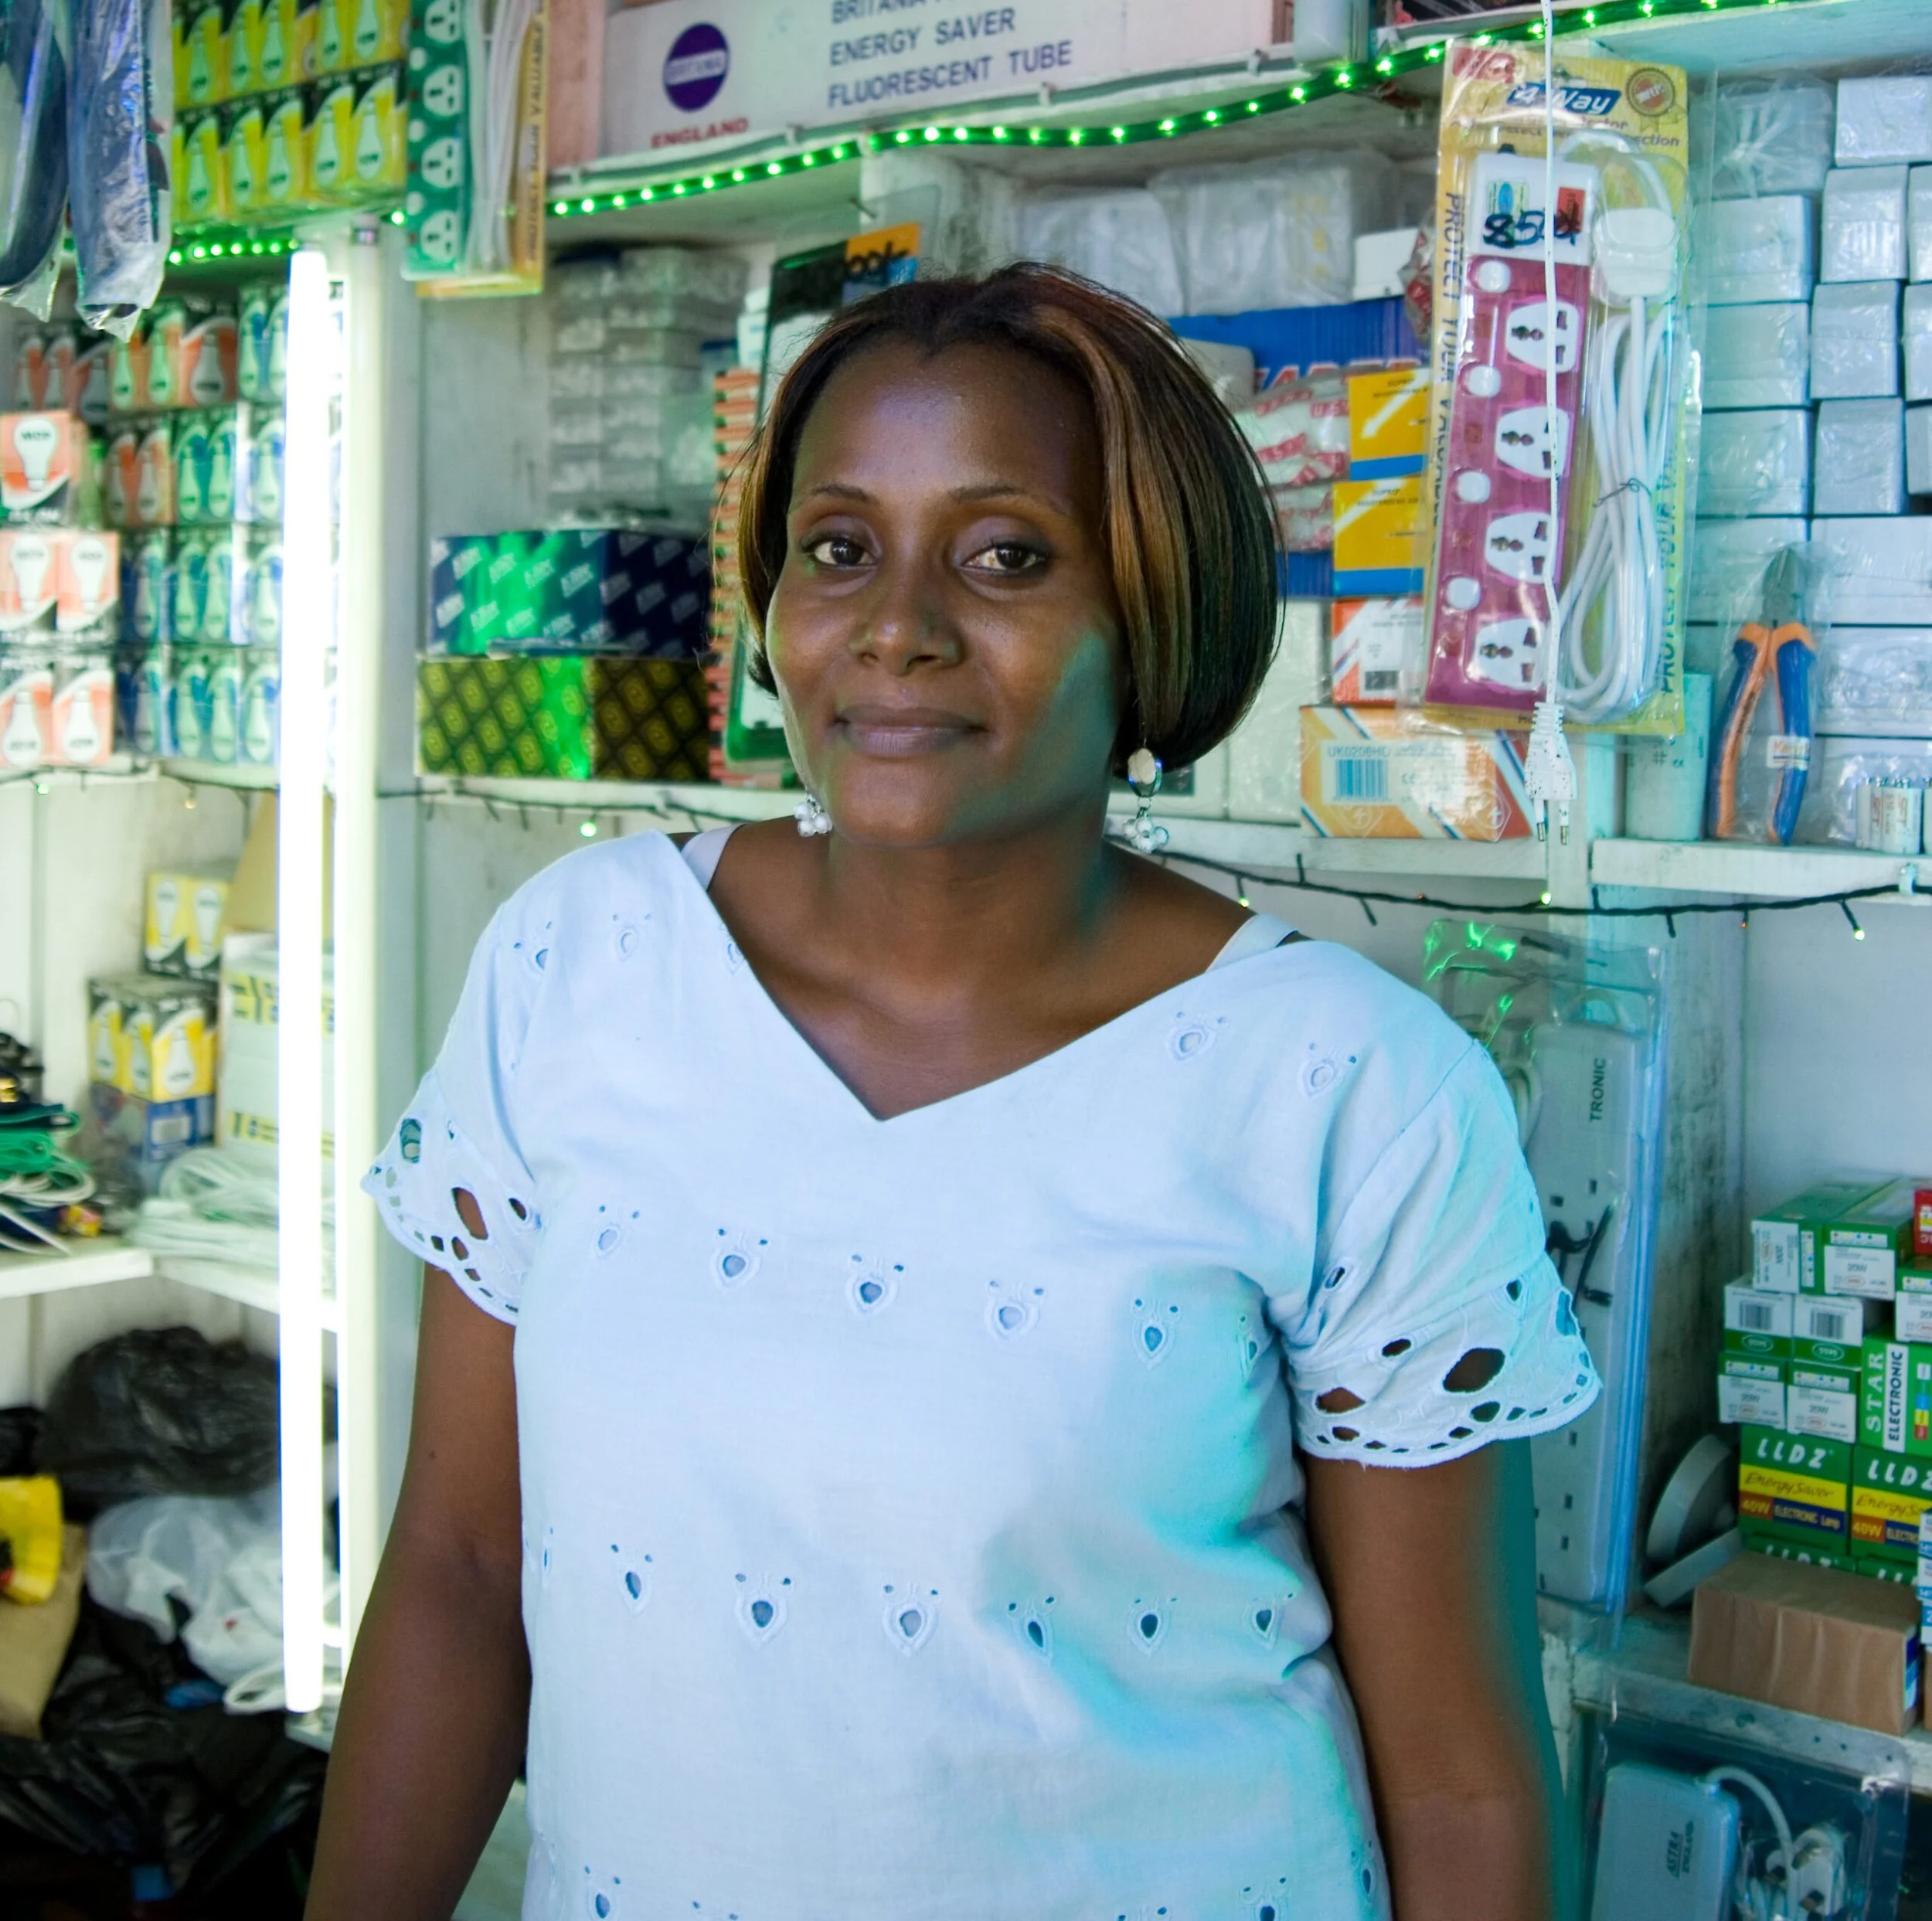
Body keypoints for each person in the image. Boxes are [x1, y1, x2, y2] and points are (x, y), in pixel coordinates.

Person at [308, 264, 1597, 1921]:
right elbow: (458, 1570)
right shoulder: (578, 968)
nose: (897, 625)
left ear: (1152, 608)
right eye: (837, 549)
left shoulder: (1350, 1089)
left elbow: (1464, 1774)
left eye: (1004, 556)